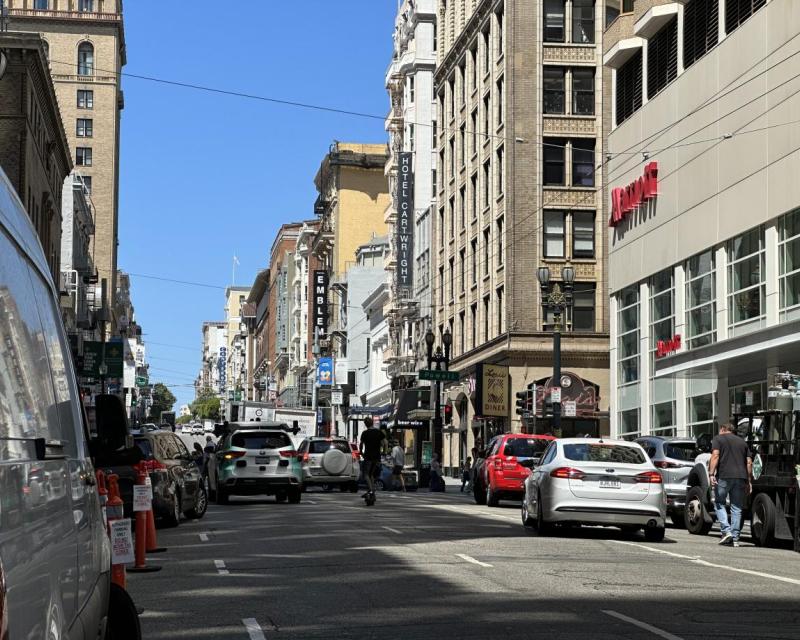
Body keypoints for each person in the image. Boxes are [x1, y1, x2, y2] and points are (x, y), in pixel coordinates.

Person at [709, 422, 752, 547]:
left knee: (719, 502)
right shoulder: (743, 442)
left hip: (724, 476)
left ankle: (726, 531)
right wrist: (749, 481)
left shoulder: (718, 439)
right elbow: (749, 463)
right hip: (740, 477)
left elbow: (715, 455)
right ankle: (735, 538)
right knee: (737, 507)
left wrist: (711, 474)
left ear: (723, 429)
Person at [359, 417, 385, 496]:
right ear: (372, 423)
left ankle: (370, 490)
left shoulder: (365, 433)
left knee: (366, 474)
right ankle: (372, 490)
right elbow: (385, 443)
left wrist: (361, 452)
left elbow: (361, 444)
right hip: (377, 456)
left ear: (366, 424)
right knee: (371, 474)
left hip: (368, 456)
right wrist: (383, 451)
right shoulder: (379, 432)